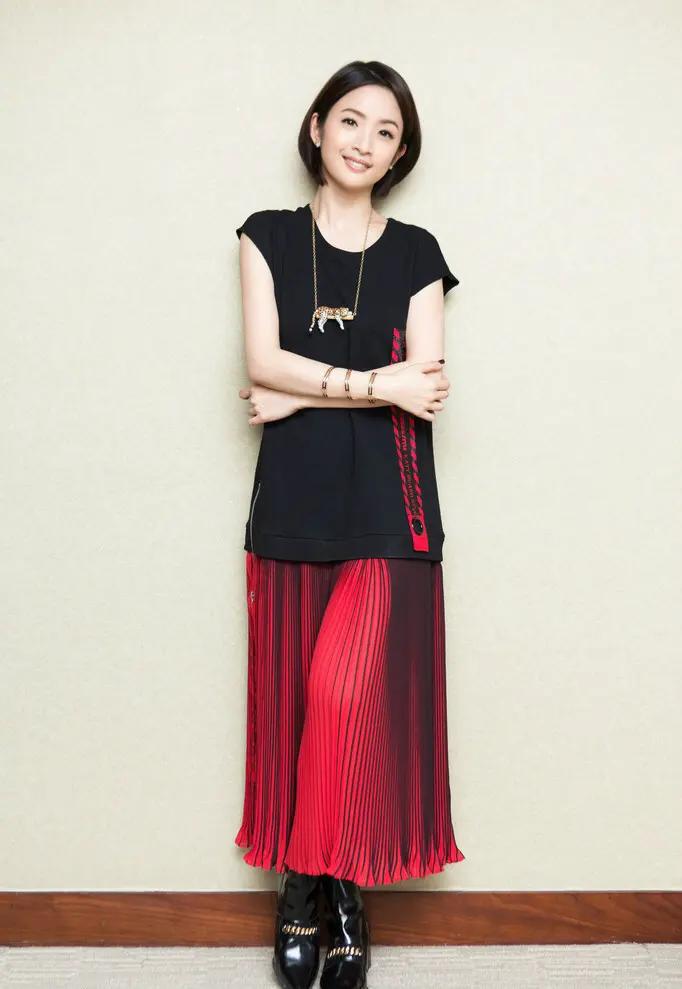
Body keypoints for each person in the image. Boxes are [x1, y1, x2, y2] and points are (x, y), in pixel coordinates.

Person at [234, 59, 465, 989]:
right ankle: (333, 894)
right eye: (353, 121)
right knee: (296, 709)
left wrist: (302, 391)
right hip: (291, 504)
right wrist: (372, 383)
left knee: (342, 699)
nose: (366, 142)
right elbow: (260, 358)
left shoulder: (417, 253)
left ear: (400, 154)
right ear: (318, 126)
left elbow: (426, 388)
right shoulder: (265, 236)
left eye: (387, 132)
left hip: (391, 510)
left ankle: (311, 889)